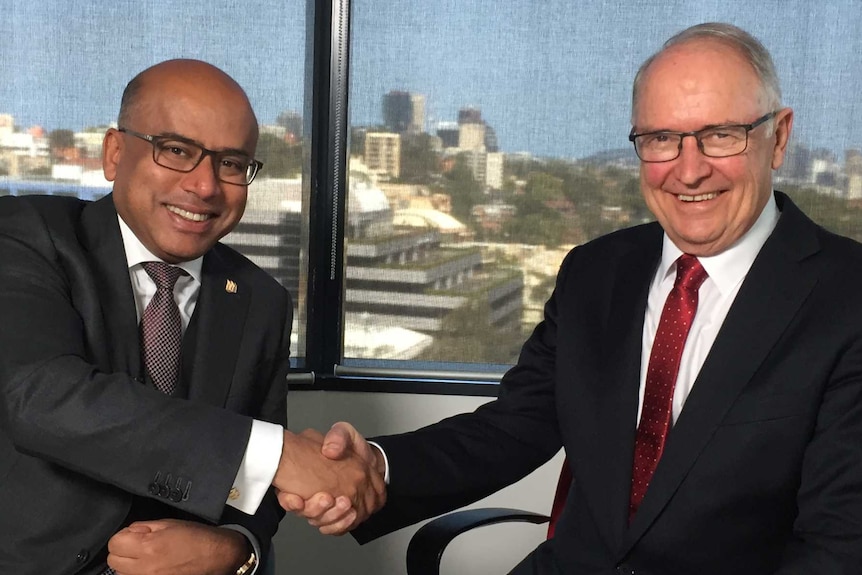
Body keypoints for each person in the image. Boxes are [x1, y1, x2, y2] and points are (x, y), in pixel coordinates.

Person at [287, 23, 862, 573]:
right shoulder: (596, 272)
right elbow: (513, 428)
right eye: (661, 138)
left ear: (778, 136)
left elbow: (838, 545)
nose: (688, 170)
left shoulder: (846, 300)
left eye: (720, 135)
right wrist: (375, 468)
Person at [0, 59, 383, 575]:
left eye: (230, 163)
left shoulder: (261, 299)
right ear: (115, 153)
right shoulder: (25, 237)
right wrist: (280, 457)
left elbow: (257, 498)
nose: (205, 187)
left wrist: (233, 548)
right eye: (177, 151)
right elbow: (42, 398)